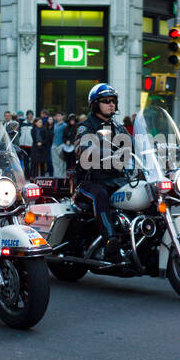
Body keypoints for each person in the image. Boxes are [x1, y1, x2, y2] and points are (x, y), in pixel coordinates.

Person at [73, 84, 127, 261]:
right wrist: (98, 151)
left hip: (116, 180)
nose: (111, 104)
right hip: (90, 182)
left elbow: (137, 144)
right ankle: (110, 241)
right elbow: (83, 149)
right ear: (95, 104)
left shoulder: (118, 127)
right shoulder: (85, 127)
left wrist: (156, 150)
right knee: (100, 195)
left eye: (113, 101)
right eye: (106, 101)